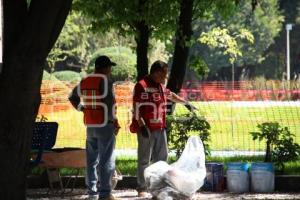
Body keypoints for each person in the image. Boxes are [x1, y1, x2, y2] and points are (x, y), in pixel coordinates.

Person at [129, 60, 196, 197]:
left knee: (162, 159)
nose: (166, 77)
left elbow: (171, 95)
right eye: (164, 74)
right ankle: (142, 188)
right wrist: (141, 126)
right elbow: (136, 107)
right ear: (157, 72)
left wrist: (186, 103)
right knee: (144, 159)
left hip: (160, 128)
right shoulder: (142, 85)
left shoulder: (160, 86)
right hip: (146, 129)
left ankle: (158, 187)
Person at [69, 55, 120, 200]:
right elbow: (110, 103)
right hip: (104, 124)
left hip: (90, 124)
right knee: (106, 159)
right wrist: (114, 121)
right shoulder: (105, 80)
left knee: (91, 161)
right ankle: (105, 193)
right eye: (109, 67)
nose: (110, 70)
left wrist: (83, 109)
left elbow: (72, 97)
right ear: (104, 68)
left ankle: (92, 192)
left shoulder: (85, 80)